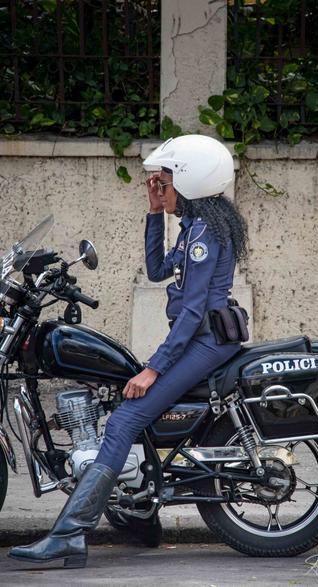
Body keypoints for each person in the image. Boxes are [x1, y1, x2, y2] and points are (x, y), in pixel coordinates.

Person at [8, 134, 248, 568]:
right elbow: (157, 270)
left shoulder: (205, 234)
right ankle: (140, 518)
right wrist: (155, 213)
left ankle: (69, 535)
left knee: (124, 420)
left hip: (205, 341)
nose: (160, 185)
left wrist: (154, 369)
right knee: (125, 407)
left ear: (191, 181)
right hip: (201, 338)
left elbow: (192, 315)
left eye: (167, 180)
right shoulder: (196, 225)